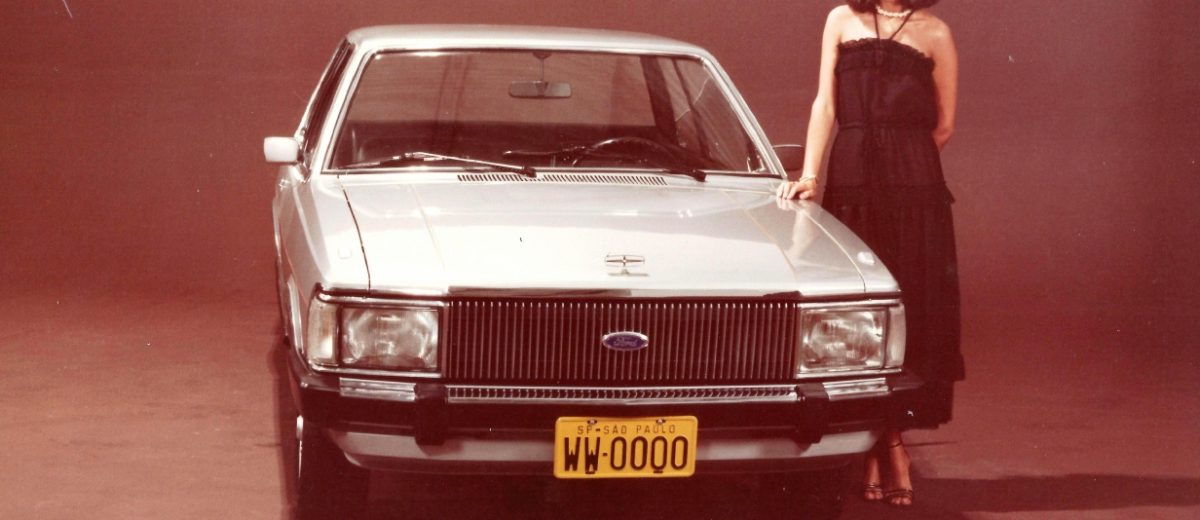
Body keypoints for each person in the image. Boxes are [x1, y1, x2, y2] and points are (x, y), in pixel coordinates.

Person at [776, 0, 964, 508]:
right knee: (861, 317)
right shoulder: (841, 19)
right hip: (852, 182)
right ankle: (887, 447)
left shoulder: (936, 32)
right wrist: (810, 175)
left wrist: (902, 166)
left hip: (914, 192)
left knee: (911, 312)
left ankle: (888, 445)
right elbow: (825, 104)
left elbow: (944, 125)